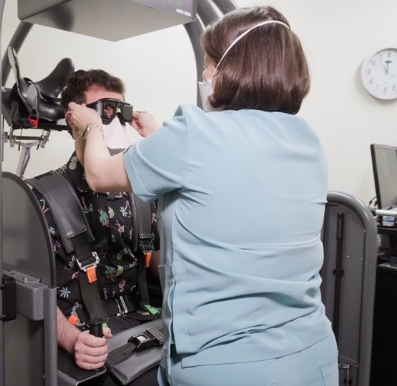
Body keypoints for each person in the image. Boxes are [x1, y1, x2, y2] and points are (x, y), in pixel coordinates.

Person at [66, 6, 338, 386]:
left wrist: (92, 126)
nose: (206, 75)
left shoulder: (193, 136)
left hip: (229, 367)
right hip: (311, 357)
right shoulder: (306, 140)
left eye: (210, 63)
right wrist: (160, 137)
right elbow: (227, 176)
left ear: (233, 68)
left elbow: (97, 174)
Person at [30, 69, 161, 385]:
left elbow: (159, 263)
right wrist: (72, 339)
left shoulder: (140, 190)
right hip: (87, 334)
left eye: (120, 113)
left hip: (145, 322)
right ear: (74, 119)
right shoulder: (42, 198)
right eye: (103, 113)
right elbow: (32, 289)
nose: (113, 123)